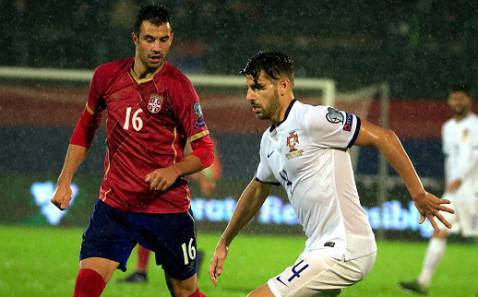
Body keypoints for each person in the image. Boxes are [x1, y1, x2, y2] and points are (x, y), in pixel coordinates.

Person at [208, 51, 454, 297]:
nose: (249, 96)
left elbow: (385, 137)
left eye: (258, 87)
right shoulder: (269, 140)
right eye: (249, 88)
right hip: (318, 247)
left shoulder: (312, 119)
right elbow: (257, 189)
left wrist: (418, 193)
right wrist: (225, 240)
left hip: (344, 246)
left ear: (283, 86)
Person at [50, 5, 213, 297]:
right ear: (135, 38)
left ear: (171, 39)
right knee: (84, 287)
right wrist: (65, 181)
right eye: (150, 39)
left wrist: (173, 170)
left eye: (163, 40)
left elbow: (205, 151)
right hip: (116, 205)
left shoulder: (180, 88)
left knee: (186, 292)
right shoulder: (106, 76)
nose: (157, 47)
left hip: (167, 209)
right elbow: (86, 127)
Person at [399, 85, 478, 295]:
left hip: (473, 192)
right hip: (453, 193)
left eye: (461, 98)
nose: (457, 102)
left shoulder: (476, 125)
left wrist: (461, 178)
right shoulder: (448, 127)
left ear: (469, 100)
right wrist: (451, 180)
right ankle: (423, 282)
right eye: (454, 99)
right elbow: (451, 158)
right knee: (439, 230)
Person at [120, 144, 222, 283]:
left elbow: (198, 160)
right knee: (153, 226)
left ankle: (187, 261)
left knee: (154, 226)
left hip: (173, 188)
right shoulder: (184, 137)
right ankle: (188, 259)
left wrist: (203, 178)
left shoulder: (184, 137)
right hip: (170, 186)